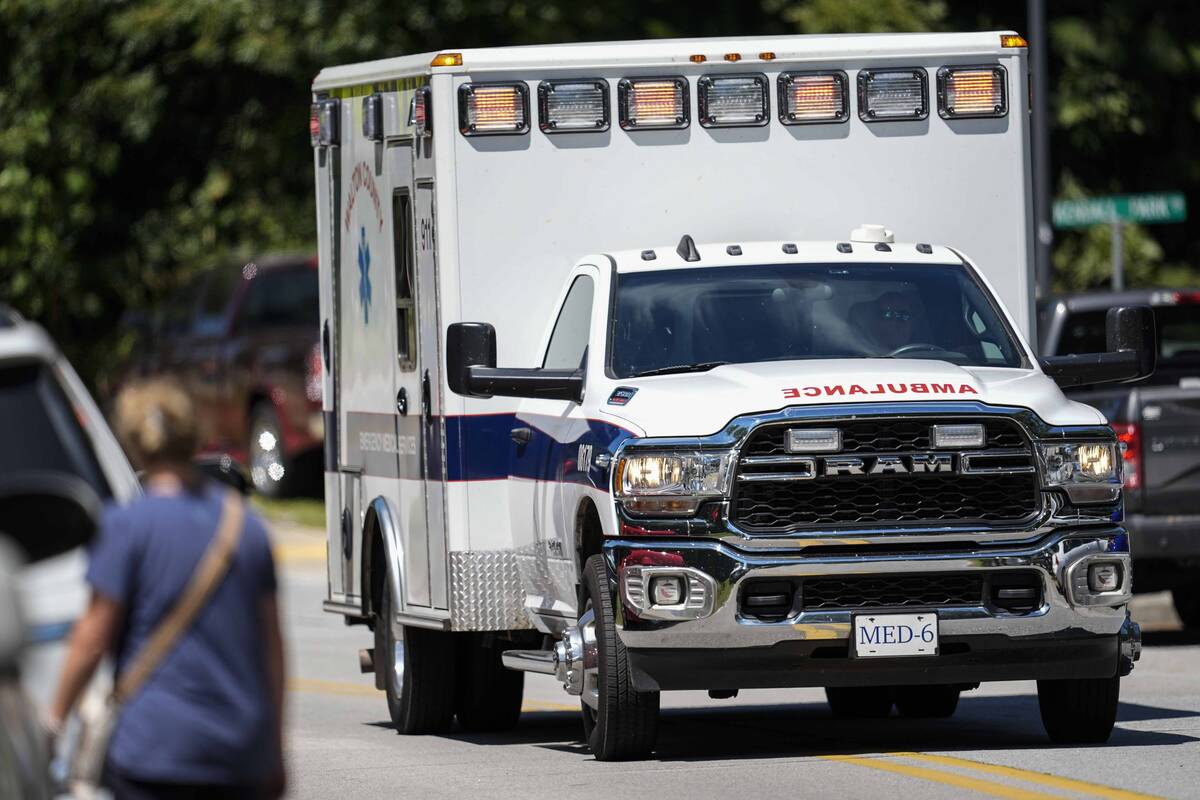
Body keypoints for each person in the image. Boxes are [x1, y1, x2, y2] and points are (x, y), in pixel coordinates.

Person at [47, 379, 285, 799]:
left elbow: (92, 637)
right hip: (237, 754)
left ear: (136, 445)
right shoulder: (246, 529)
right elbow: (272, 651)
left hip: (154, 751)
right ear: (194, 439)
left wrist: (55, 718)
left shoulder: (126, 527)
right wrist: (275, 749)